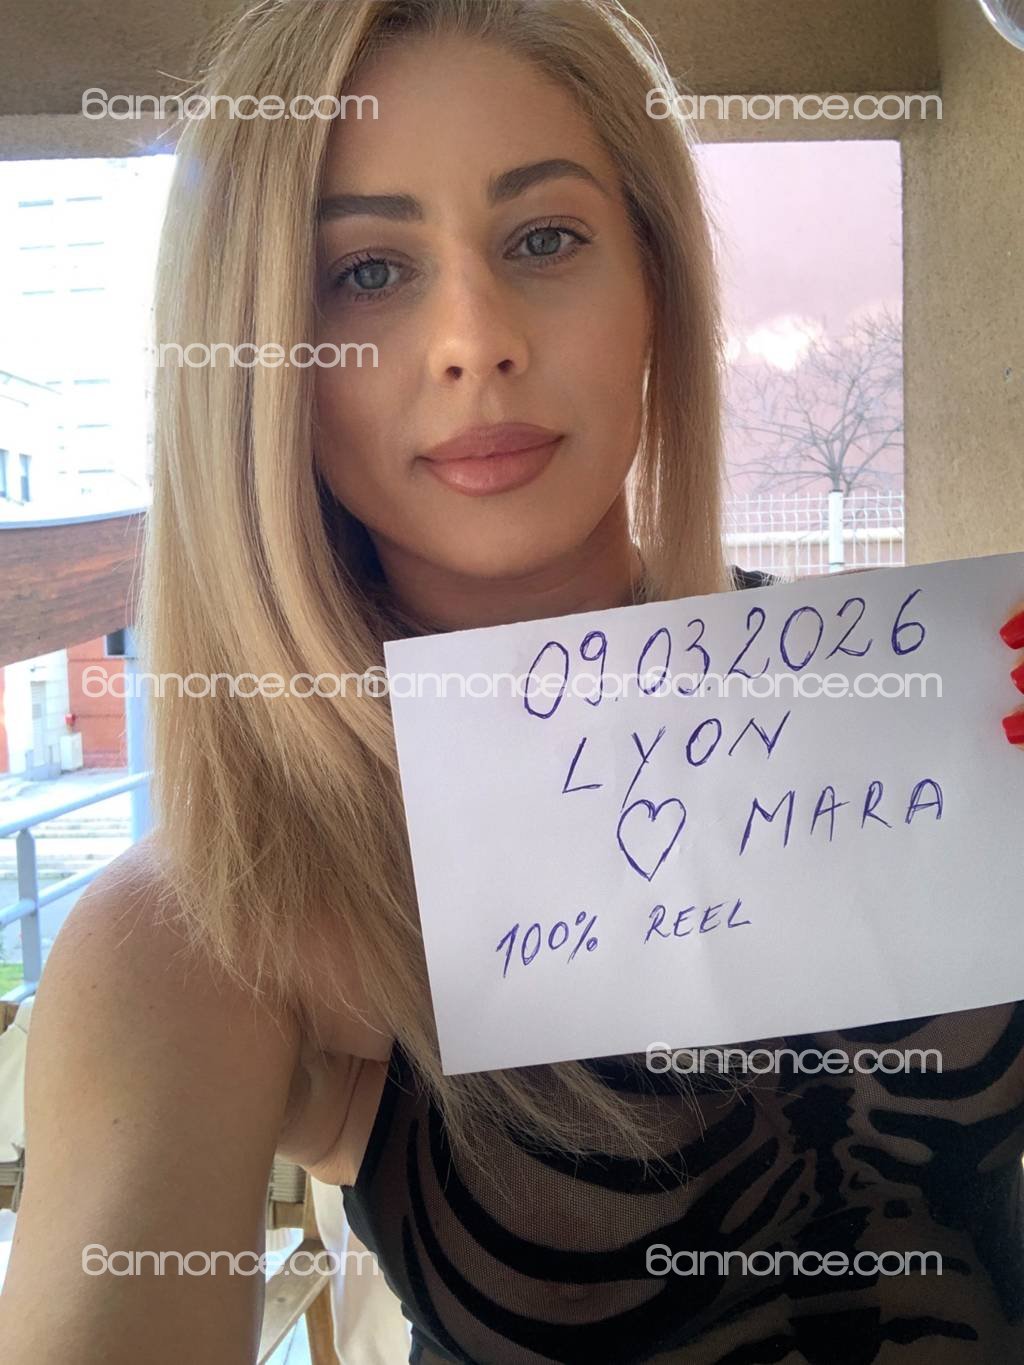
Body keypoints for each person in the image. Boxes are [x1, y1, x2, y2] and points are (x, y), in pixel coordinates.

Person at [2, 2, 1023, 1362]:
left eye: (544, 239)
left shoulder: (913, 708)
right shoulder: (211, 927)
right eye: (369, 270)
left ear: (655, 286)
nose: (474, 337)